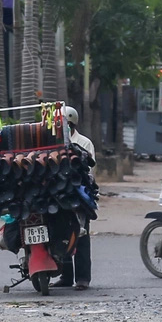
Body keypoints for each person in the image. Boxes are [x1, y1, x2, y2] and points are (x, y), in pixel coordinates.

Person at [62, 105, 94, 290]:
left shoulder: (84, 143)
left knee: (81, 235)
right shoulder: (54, 141)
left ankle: (82, 278)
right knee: (61, 233)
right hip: (60, 195)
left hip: (80, 195)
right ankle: (65, 276)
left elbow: (90, 173)